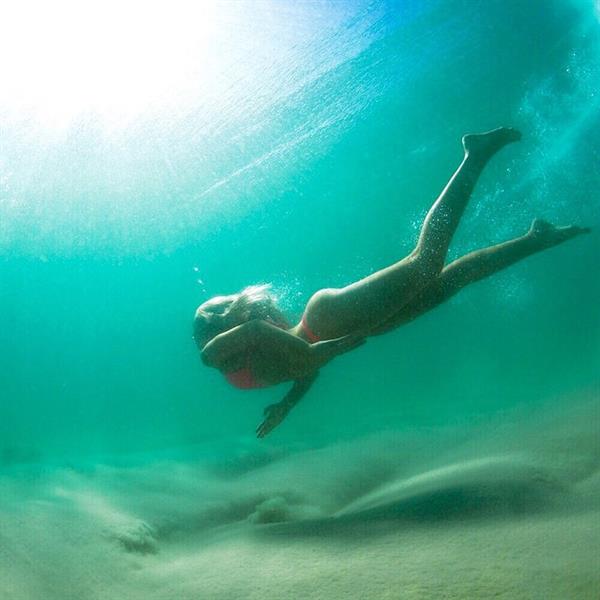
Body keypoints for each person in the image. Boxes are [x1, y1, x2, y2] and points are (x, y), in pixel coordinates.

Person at [193, 128, 590, 438]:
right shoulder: (250, 361)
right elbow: (301, 366)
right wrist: (288, 405)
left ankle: (475, 154)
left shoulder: (212, 355)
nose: (201, 328)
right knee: (454, 279)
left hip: (327, 321)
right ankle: (534, 239)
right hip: (343, 331)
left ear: (212, 329)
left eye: (204, 321)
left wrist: (314, 356)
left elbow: (263, 331)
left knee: (425, 261)